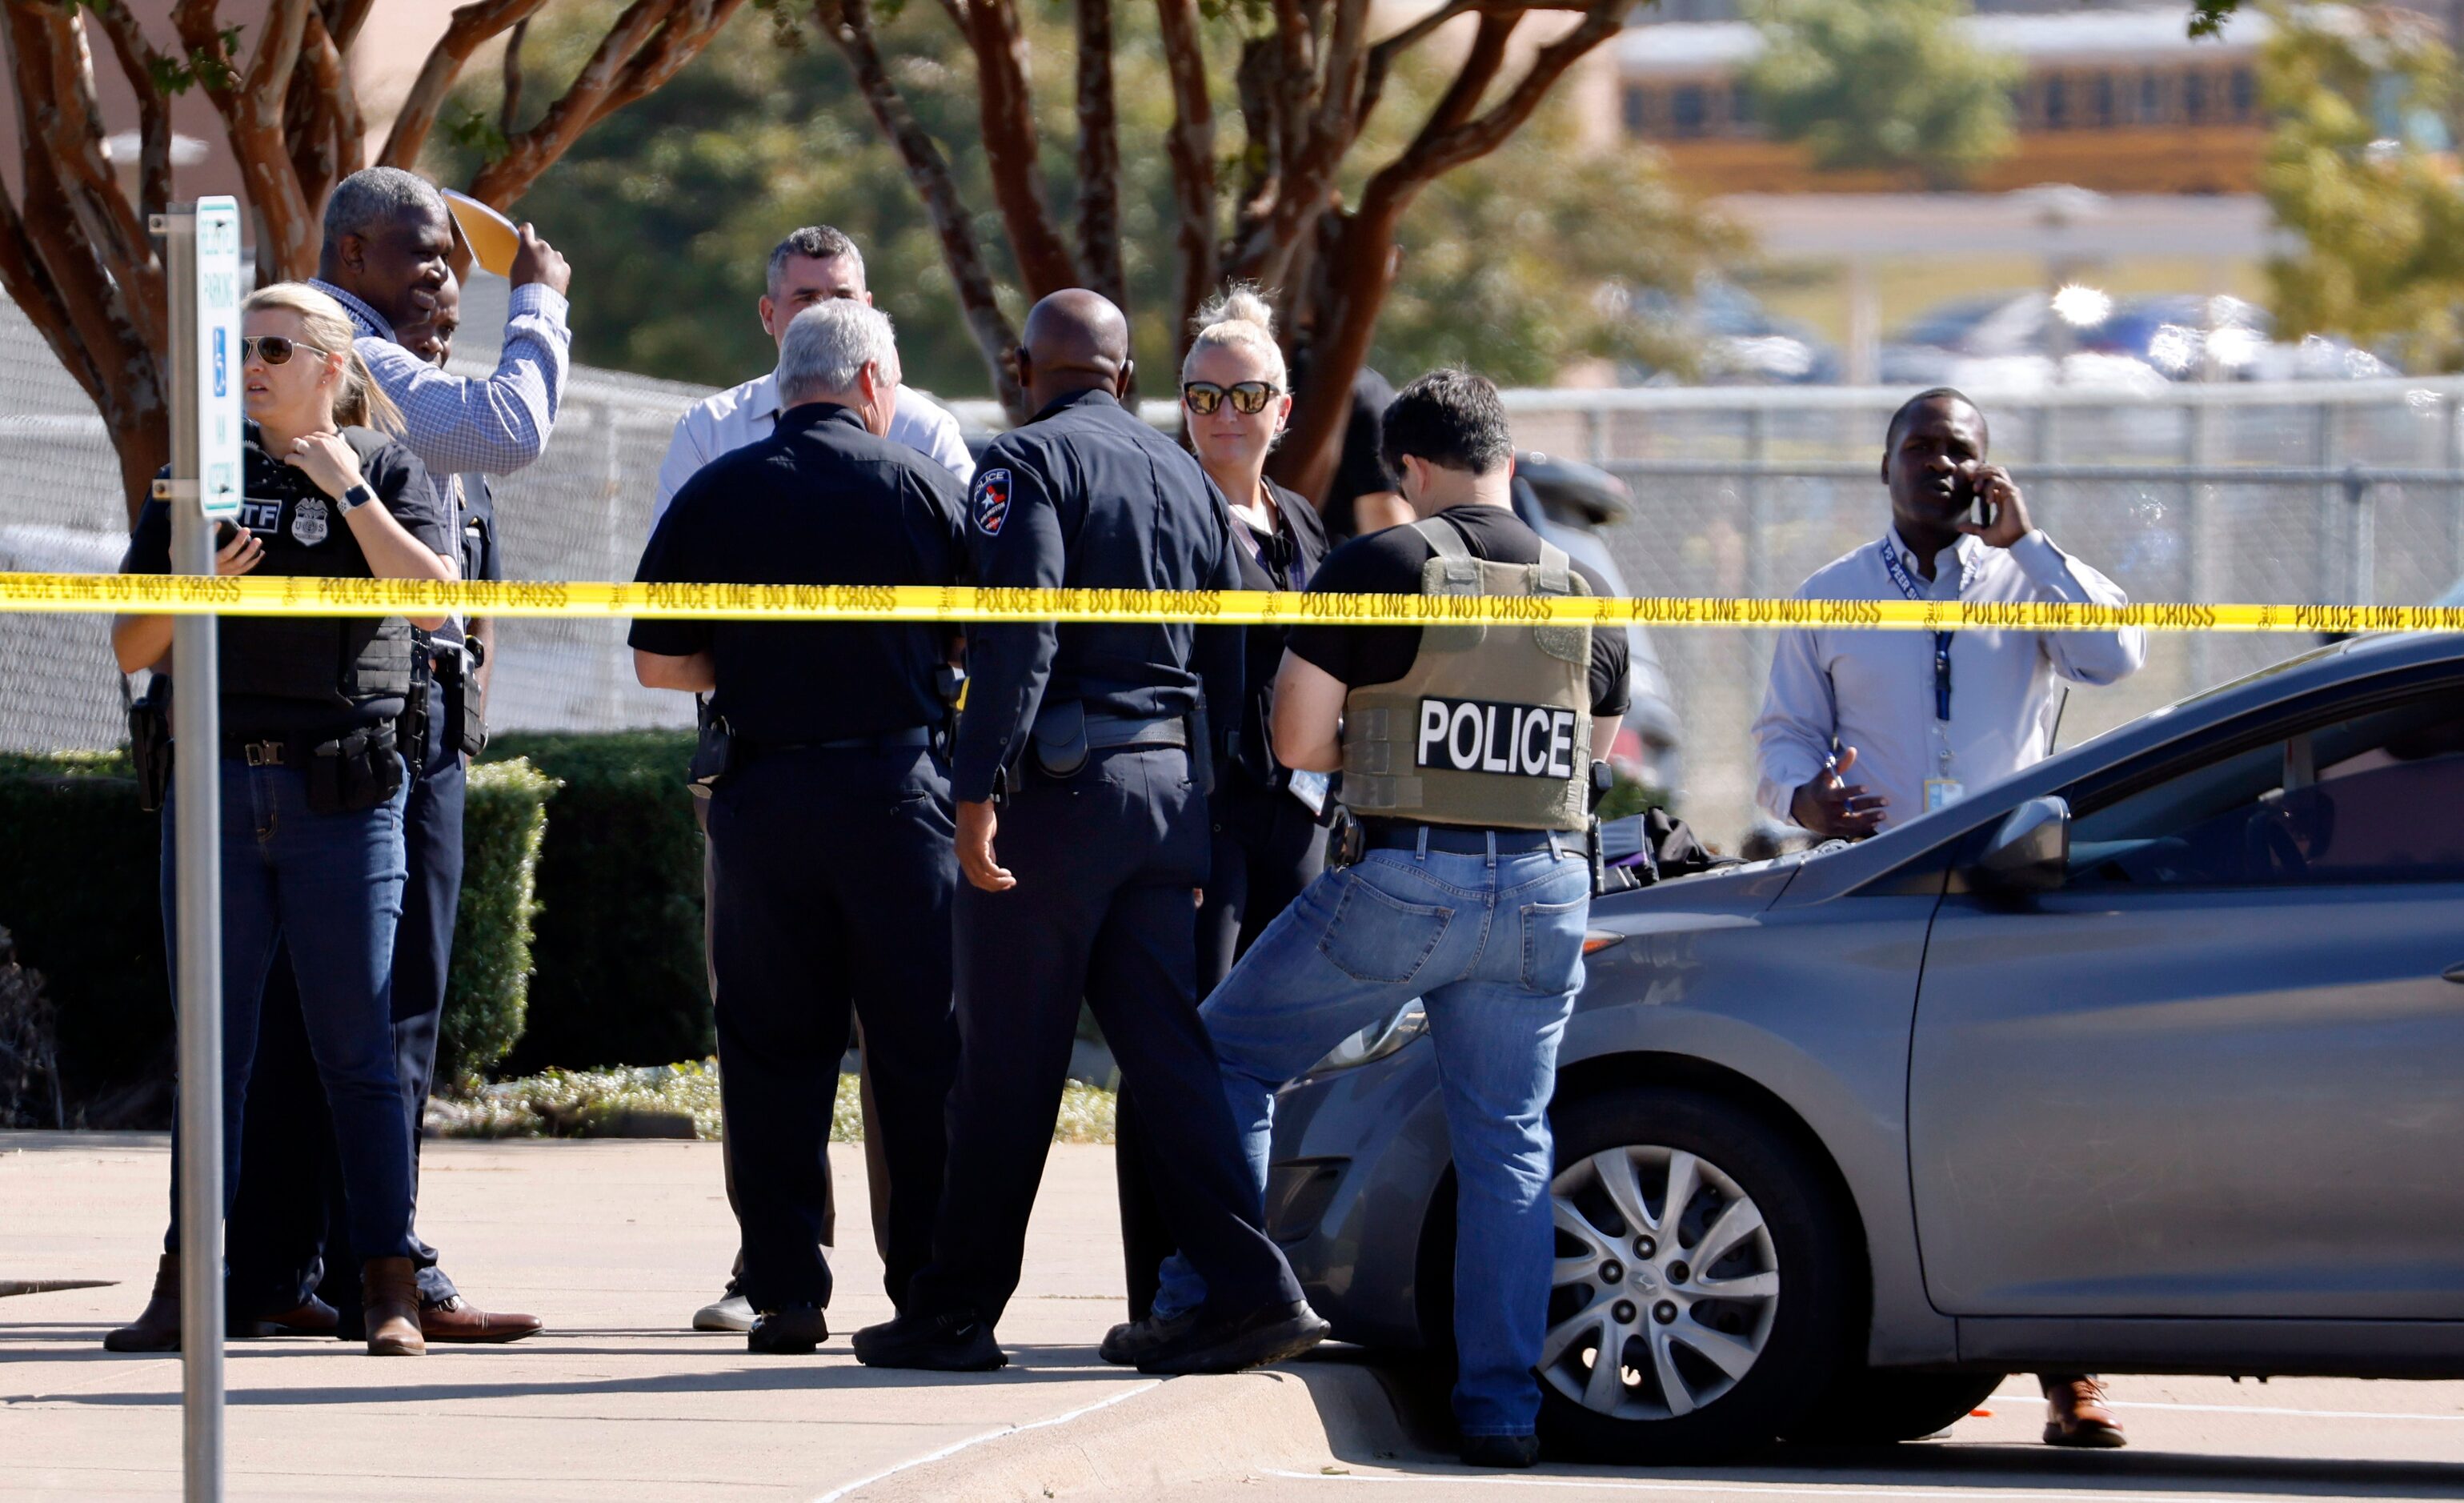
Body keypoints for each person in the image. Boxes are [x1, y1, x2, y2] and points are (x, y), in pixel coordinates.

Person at [1116, 369, 1628, 1469]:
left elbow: (1296, 742)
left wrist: (1398, 749)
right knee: (1509, 1146)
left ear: (1406, 468)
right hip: (1544, 890)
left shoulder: (1378, 564)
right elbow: (1587, 759)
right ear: (1504, 455)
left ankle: (1208, 1296)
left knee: (1224, 1057)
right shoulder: (1584, 587)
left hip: (1406, 879)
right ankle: (1499, 1408)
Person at [851, 290, 1328, 1377]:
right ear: (1124, 377)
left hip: (1057, 799)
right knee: (1168, 1057)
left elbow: (1023, 627)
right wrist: (1199, 814)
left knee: (1007, 1062)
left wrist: (976, 793)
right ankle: (1253, 1289)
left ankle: (953, 1311)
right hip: (1166, 796)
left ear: (1024, 367)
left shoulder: (1022, 462)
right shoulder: (1183, 477)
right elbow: (1221, 663)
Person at [1749, 385, 2145, 1450]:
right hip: (1872, 897)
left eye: (1958, 450)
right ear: (1883, 467)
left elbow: (2115, 659)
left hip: (2005, 897)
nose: (1938, 465)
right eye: (1918, 447)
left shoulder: (2025, 579)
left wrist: (2029, 541)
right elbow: (1780, 737)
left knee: (2042, 1122)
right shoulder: (1826, 594)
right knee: (1881, 1118)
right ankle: (1907, 1350)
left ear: (1987, 467)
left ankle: (2072, 1376)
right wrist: (1803, 801)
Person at [212, 167, 561, 1343]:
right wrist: (541, 302)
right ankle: (385, 1269)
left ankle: (303, 1263)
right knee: (382, 1015)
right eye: (423, 255)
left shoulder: (339, 370)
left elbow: (465, 544)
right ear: (352, 253)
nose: (445, 278)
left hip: (377, 725)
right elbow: (506, 433)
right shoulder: (347, 358)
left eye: (455, 262)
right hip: (361, 740)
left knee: (343, 1024)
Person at [103, 283, 459, 1357]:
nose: (250, 363)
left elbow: (437, 600)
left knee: (357, 1046)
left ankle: (387, 1281)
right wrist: (195, 582)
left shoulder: (391, 468)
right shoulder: (194, 476)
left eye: (273, 346)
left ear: (330, 365)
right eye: (238, 346)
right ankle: (184, 1282)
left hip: (339, 792)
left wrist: (348, 489)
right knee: (214, 1051)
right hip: (215, 782)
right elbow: (130, 647)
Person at [631, 301, 966, 1355]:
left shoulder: (718, 488)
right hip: (897, 794)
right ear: (873, 384)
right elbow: (976, 638)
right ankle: (925, 1288)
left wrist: (754, 674)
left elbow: (657, 660)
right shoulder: (918, 485)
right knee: (916, 1050)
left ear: (785, 385)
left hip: (763, 800)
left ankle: (783, 1290)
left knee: (770, 1051)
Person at [1115, 287, 1331, 1320]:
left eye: (1244, 392)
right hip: (1201, 817)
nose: (1223, 412)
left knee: (1276, 1051)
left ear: (1281, 407)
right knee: (1180, 1047)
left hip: (1293, 815)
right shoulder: (1169, 511)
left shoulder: (1299, 523)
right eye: (1202, 393)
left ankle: (1265, 1267)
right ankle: (1162, 1287)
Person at [653, 224, 972, 523]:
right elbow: (669, 567)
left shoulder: (926, 428)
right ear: (768, 314)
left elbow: (977, 552)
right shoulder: (710, 429)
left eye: (844, 298)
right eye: (807, 299)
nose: (828, 313)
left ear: (870, 308)